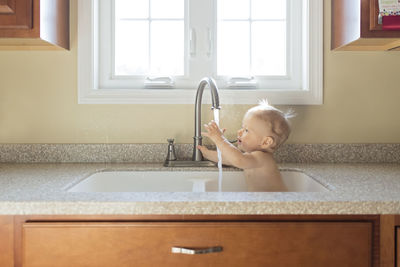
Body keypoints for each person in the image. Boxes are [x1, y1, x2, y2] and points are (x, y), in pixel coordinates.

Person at [197, 100, 293, 192]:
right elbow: (228, 159)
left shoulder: (262, 158)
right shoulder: (250, 157)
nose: (239, 132)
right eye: (242, 127)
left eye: (246, 130)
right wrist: (206, 153)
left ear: (266, 142)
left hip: (276, 204)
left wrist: (220, 139)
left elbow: (238, 160)